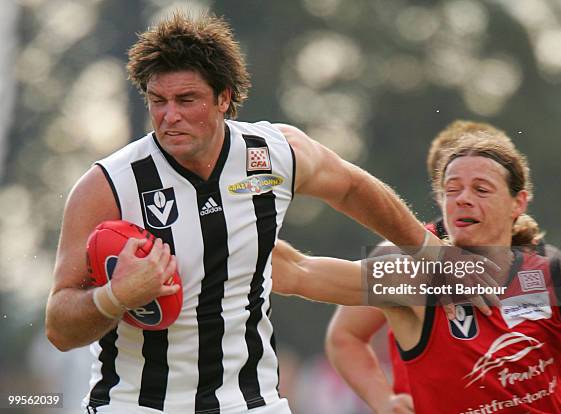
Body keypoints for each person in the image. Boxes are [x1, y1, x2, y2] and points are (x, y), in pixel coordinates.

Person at [44, 11, 450, 414]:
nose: (170, 116)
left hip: (251, 403)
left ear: (224, 98)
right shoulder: (108, 186)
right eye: (157, 101)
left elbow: (351, 187)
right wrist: (116, 296)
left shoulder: (273, 154)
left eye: (186, 100)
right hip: (136, 406)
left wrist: (432, 251)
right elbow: (59, 329)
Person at [271, 134, 561, 413]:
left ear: (518, 203)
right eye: (452, 190)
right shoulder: (407, 276)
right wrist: (384, 401)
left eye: (481, 189)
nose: (463, 199)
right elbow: (296, 271)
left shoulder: (556, 272)